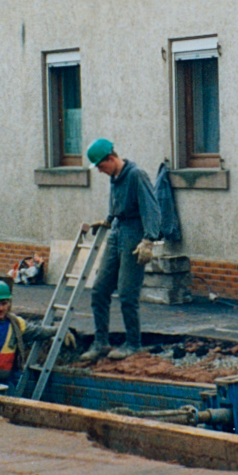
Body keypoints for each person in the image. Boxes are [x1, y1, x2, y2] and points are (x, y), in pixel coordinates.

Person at [78, 138, 162, 362]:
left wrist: (148, 240)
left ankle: (133, 343)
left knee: (127, 293)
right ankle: (101, 342)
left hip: (134, 233)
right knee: (99, 290)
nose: (100, 171)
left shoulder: (136, 175)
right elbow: (117, 202)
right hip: (117, 231)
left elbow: (152, 209)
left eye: (101, 166)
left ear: (111, 158)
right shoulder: (114, 177)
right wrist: (108, 219)